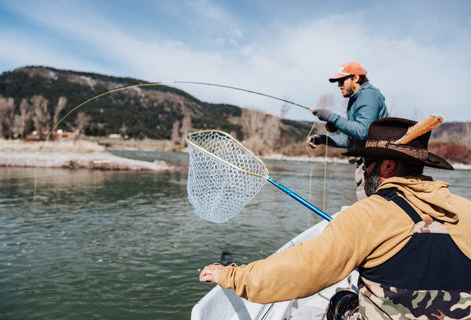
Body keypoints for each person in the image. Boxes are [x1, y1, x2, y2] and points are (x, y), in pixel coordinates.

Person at [200, 117, 471, 319]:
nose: (364, 169)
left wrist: (232, 276)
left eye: (368, 162)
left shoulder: (367, 215)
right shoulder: (465, 208)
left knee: (341, 298)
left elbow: (300, 269)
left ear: (388, 166)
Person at [309, 62, 388, 200]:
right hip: (366, 166)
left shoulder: (368, 95)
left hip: (375, 168)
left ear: (356, 78)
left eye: (342, 80)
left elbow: (363, 131)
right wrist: (322, 139)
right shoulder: (356, 99)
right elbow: (351, 140)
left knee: (370, 214)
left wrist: (331, 117)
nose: (339, 84)